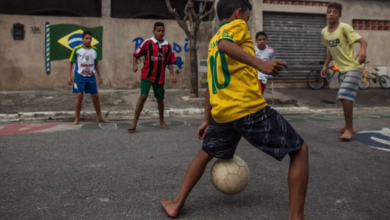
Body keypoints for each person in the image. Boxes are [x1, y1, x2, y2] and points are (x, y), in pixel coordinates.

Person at [162, 0, 309, 219]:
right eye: (248, 17)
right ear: (239, 13)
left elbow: (210, 85)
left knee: (205, 153)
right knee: (300, 150)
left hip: (223, 113)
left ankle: (176, 203)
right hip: (248, 108)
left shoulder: (212, 42)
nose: (247, 22)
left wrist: (207, 119)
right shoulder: (235, 27)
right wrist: (259, 64)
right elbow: (225, 44)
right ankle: (296, 217)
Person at [320, 2, 367, 141]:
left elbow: (363, 41)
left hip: (354, 66)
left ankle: (348, 129)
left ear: (339, 15)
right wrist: (325, 66)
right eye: (329, 11)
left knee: (344, 96)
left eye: (335, 12)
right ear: (327, 14)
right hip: (343, 69)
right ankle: (349, 126)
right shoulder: (324, 32)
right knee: (345, 98)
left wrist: (363, 50)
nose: (331, 14)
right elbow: (330, 49)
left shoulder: (345, 27)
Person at [128, 22, 177, 133]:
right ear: (153, 31)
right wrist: (134, 65)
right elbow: (136, 54)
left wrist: (171, 74)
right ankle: (134, 123)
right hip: (147, 74)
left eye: (162, 31)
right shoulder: (148, 42)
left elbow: (170, 61)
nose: (161, 33)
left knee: (160, 99)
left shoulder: (167, 45)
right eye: (158, 31)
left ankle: (161, 121)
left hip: (159, 77)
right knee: (143, 96)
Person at [68, 30, 110, 125]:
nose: (88, 40)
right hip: (79, 76)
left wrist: (99, 75)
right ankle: (77, 118)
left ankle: (99, 117)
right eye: (86, 38)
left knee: (95, 96)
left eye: (90, 38)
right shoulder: (76, 49)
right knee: (79, 96)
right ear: (82, 39)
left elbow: (96, 64)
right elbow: (70, 62)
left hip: (91, 76)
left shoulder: (94, 50)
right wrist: (69, 76)